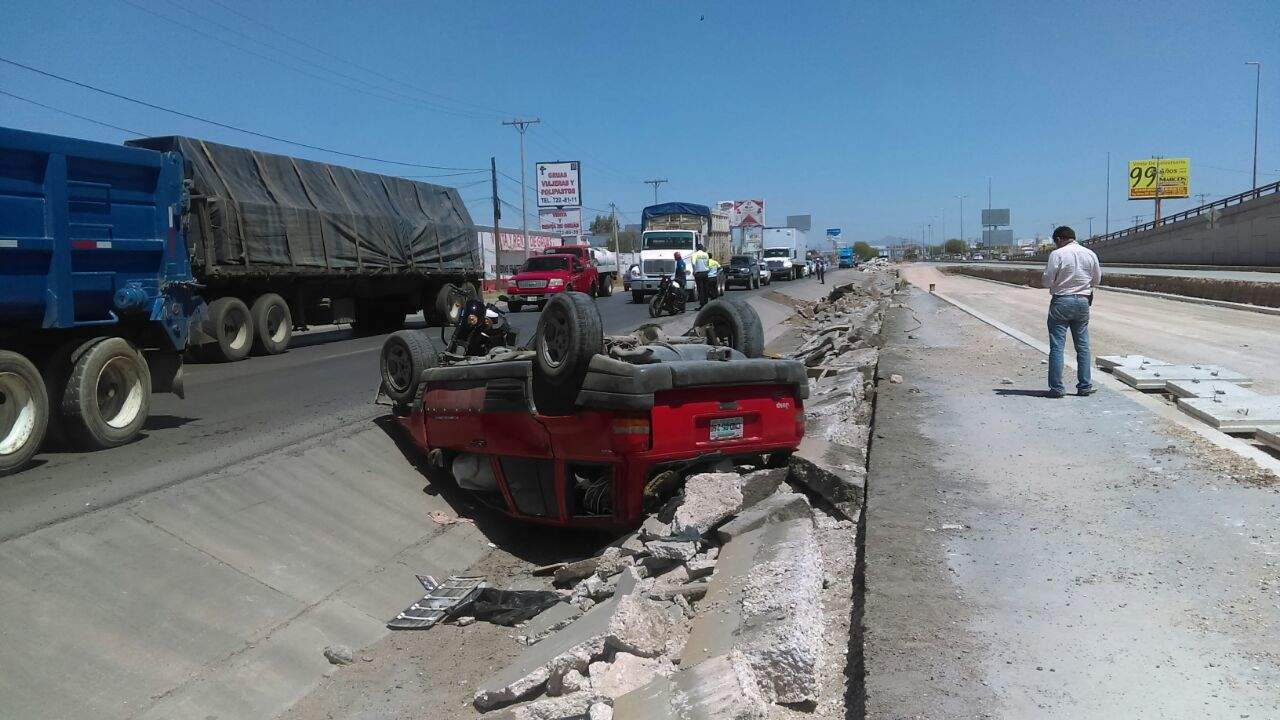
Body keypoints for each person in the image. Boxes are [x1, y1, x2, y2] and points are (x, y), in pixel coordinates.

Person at [1042, 226, 1102, 398]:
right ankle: (1084, 386)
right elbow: (1097, 279)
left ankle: (1057, 389)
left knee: (1057, 347)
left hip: (1061, 301)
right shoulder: (1090, 254)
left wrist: (1055, 283)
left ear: (1059, 239)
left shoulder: (1058, 254)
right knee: (1083, 347)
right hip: (1083, 301)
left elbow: (1047, 281)